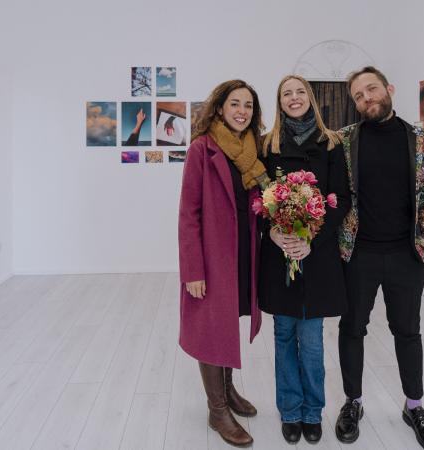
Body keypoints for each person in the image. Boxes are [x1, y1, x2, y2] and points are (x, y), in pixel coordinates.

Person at [334, 66, 424, 450]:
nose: (367, 98)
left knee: (407, 331)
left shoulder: (421, 141)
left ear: (388, 89)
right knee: (352, 330)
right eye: (359, 96)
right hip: (359, 253)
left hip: (405, 255)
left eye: (372, 89)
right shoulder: (345, 140)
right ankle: (353, 403)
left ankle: (414, 406)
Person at [258, 75, 350, 445]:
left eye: (300, 92)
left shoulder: (330, 143)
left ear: (310, 98)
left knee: (311, 339)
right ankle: (290, 411)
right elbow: (260, 198)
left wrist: (310, 239)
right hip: (279, 256)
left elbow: (340, 200)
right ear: (279, 103)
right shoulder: (268, 144)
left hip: (317, 256)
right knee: (283, 336)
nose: (294, 99)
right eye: (286, 94)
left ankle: (313, 412)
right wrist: (273, 232)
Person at [178, 79, 269, 447]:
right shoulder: (202, 148)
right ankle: (217, 411)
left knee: (228, 323)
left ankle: (228, 392)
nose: (241, 111)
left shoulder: (252, 151)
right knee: (211, 328)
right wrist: (193, 271)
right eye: (235, 103)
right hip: (213, 258)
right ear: (219, 108)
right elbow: (188, 214)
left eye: (248, 105)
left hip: (244, 252)